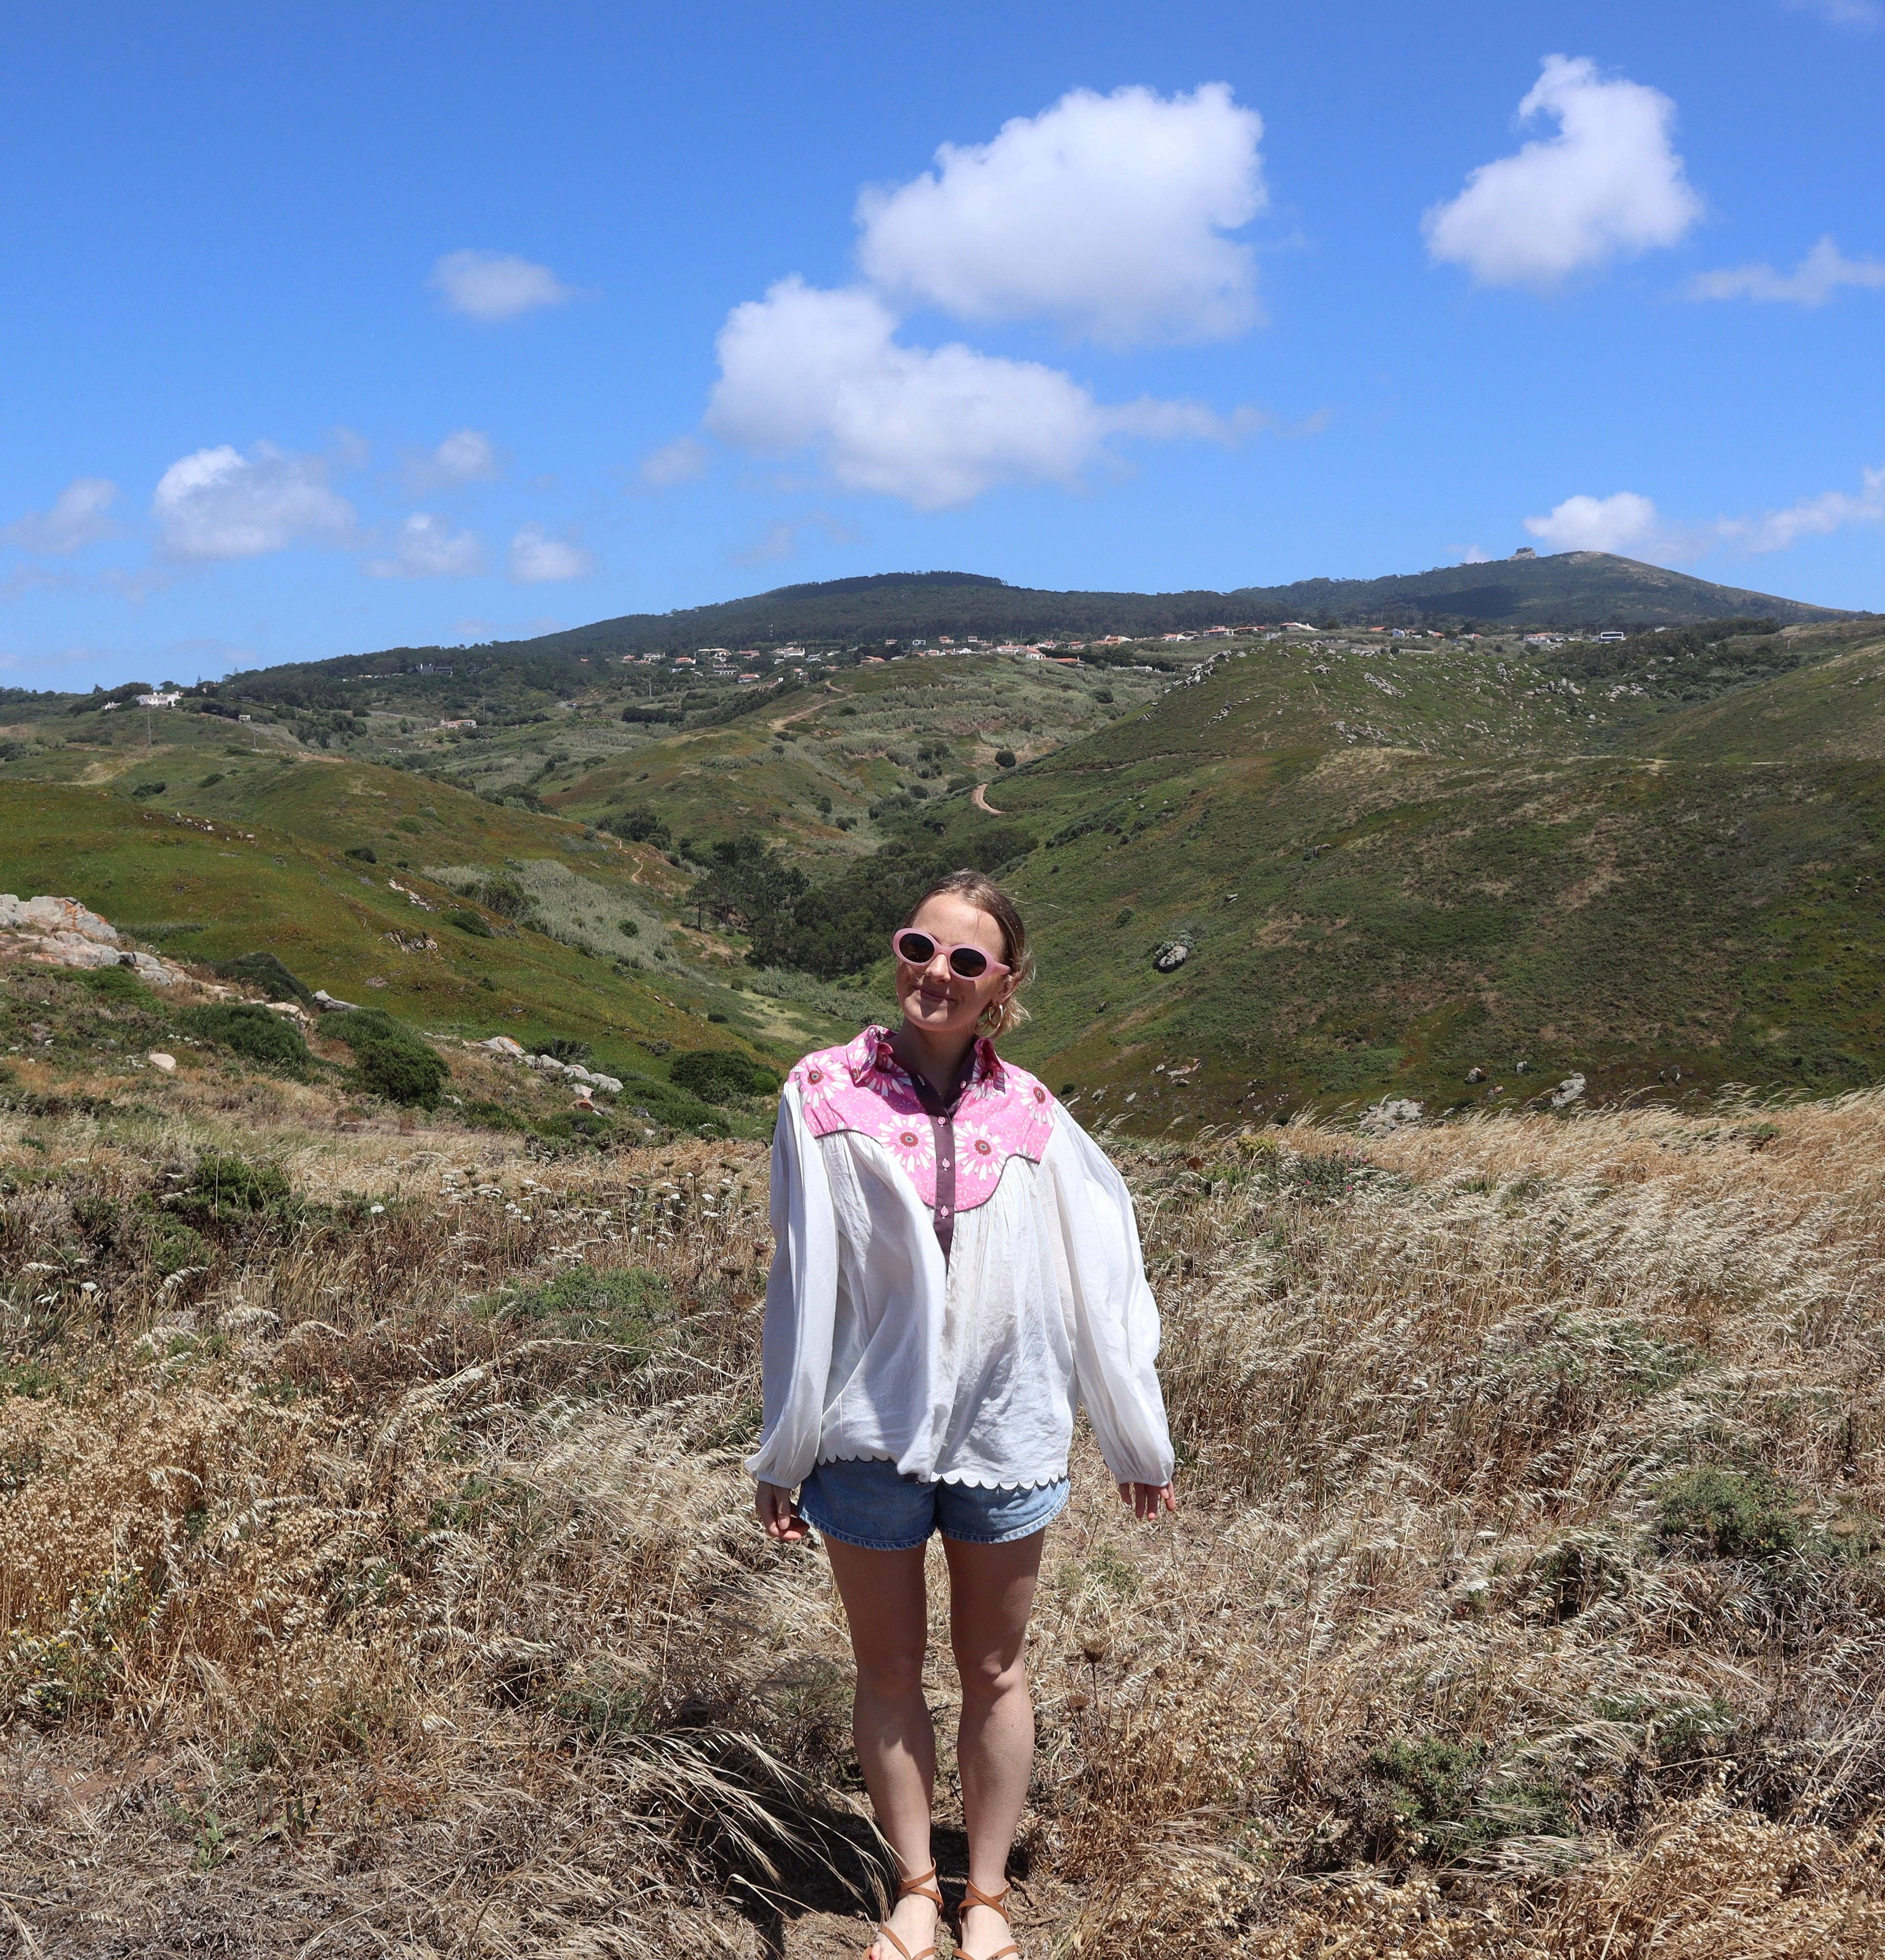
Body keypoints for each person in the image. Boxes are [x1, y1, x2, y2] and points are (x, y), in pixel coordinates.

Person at [749, 869, 1177, 1960]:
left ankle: (985, 1894)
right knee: (887, 1666)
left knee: (995, 1669)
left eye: (966, 960)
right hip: (863, 1434)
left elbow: (1102, 1265)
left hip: (1006, 1428)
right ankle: (914, 1886)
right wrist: (785, 1443)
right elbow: (800, 1277)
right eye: (918, 946)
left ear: (1004, 984)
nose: (936, 973)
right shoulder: (821, 1088)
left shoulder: (1030, 1111)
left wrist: (1134, 1431)